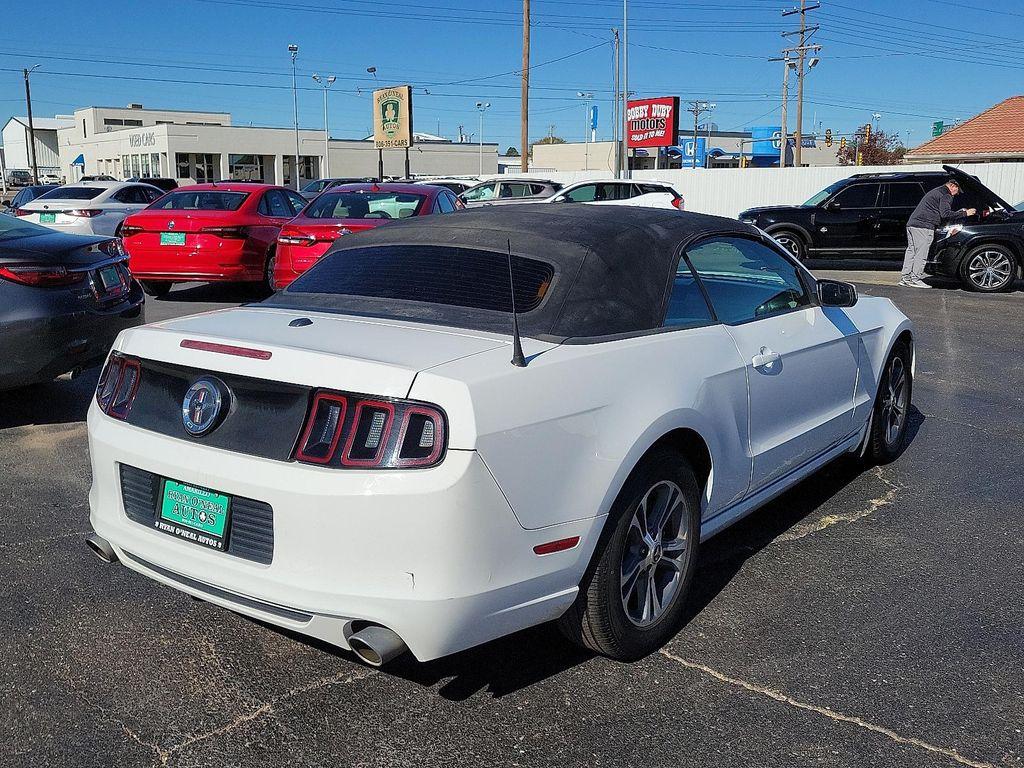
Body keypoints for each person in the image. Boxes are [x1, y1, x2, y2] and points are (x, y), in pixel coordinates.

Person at [900, 178, 975, 288]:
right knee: (921, 253)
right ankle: (915, 279)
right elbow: (945, 214)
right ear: (953, 186)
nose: (956, 194)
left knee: (911, 251)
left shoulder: (936, 191)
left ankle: (905, 278)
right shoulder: (946, 195)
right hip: (924, 226)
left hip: (912, 224)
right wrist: (965, 213)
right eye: (957, 191)